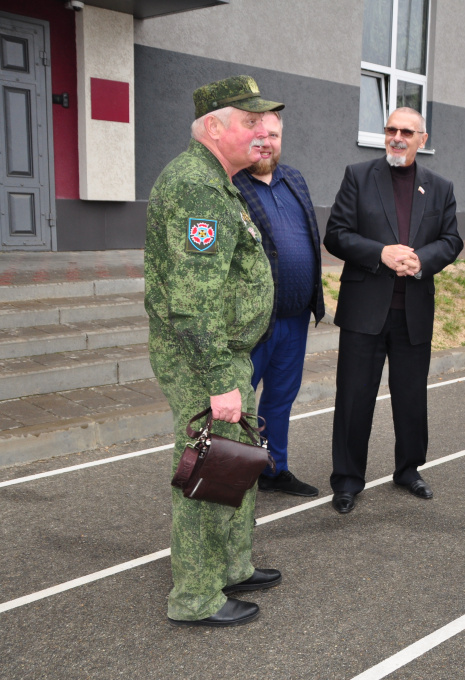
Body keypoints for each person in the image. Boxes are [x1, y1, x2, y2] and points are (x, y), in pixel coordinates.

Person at [145, 75, 284, 627]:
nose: (261, 134)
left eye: (263, 124)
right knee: (209, 469)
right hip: (205, 357)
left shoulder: (220, 182)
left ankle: (231, 564)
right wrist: (219, 378)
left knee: (236, 460)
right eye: (249, 122)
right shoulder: (196, 186)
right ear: (213, 127)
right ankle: (196, 597)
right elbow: (190, 301)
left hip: (226, 353)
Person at [323, 107, 463, 515]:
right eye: (390, 130)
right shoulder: (358, 176)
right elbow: (336, 235)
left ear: (422, 138)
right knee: (353, 398)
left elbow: (451, 241)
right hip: (364, 310)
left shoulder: (440, 187)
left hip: (412, 311)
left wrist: (422, 259)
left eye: (406, 131)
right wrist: (380, 253)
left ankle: (408, 469)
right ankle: (347, 480)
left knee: (410, 398)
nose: (397, 137)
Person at [233, 111, 325, 497]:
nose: (265, 141)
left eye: (273, 134)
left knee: (280, 398)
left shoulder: (295, 179)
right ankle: (231, 473)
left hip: (295, 316)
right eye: (257, 134)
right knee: (237, 399)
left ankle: (273, 468)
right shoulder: (230, 185)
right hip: (254, 320)